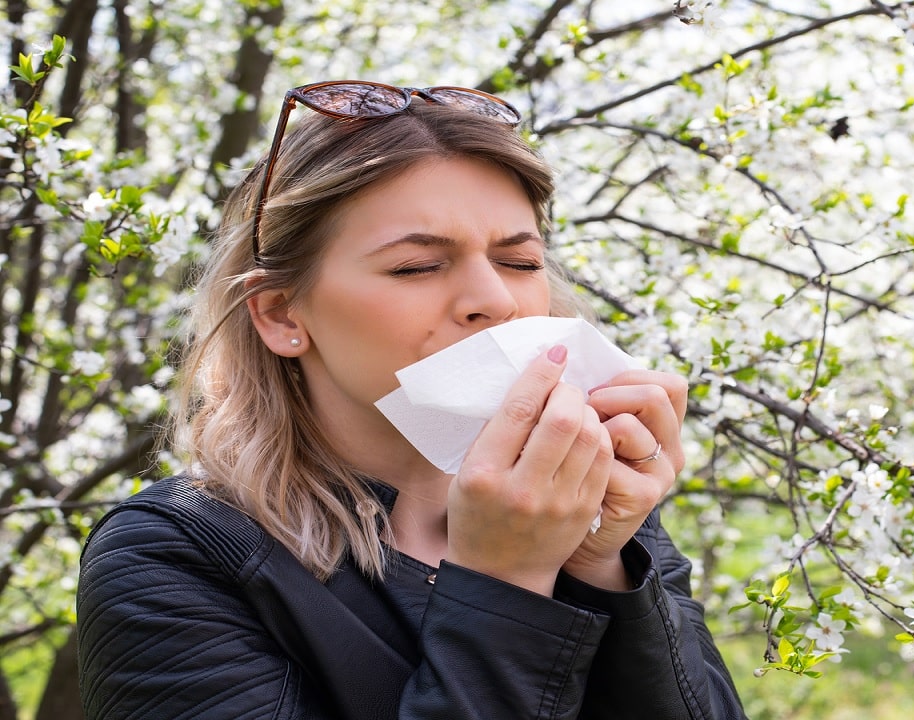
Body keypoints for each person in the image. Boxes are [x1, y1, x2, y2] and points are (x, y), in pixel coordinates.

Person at [76, 81, 747, 719]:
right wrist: (507, 582)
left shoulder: (573, 499)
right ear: (281, 315)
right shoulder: (172, 557)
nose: (495, 300)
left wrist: (602, 562)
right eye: (417, 267)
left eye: (519, 262)